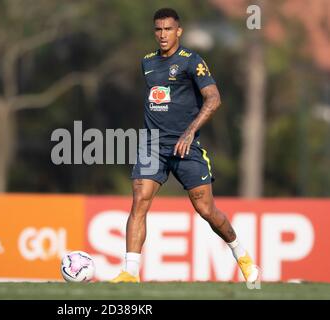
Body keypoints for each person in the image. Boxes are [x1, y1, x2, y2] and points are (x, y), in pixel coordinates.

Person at [110, 8, 259, 283]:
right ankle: (130, 273)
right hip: (153, 144)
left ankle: (242, 254)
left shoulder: (192, 61)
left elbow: (213, 98)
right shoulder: (147, 63)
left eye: (168, 29)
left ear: (178, 31)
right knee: (139, 199)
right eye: (158, 29)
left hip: (186, 146)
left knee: (206, 210)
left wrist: (190, 132)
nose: (163, 34)